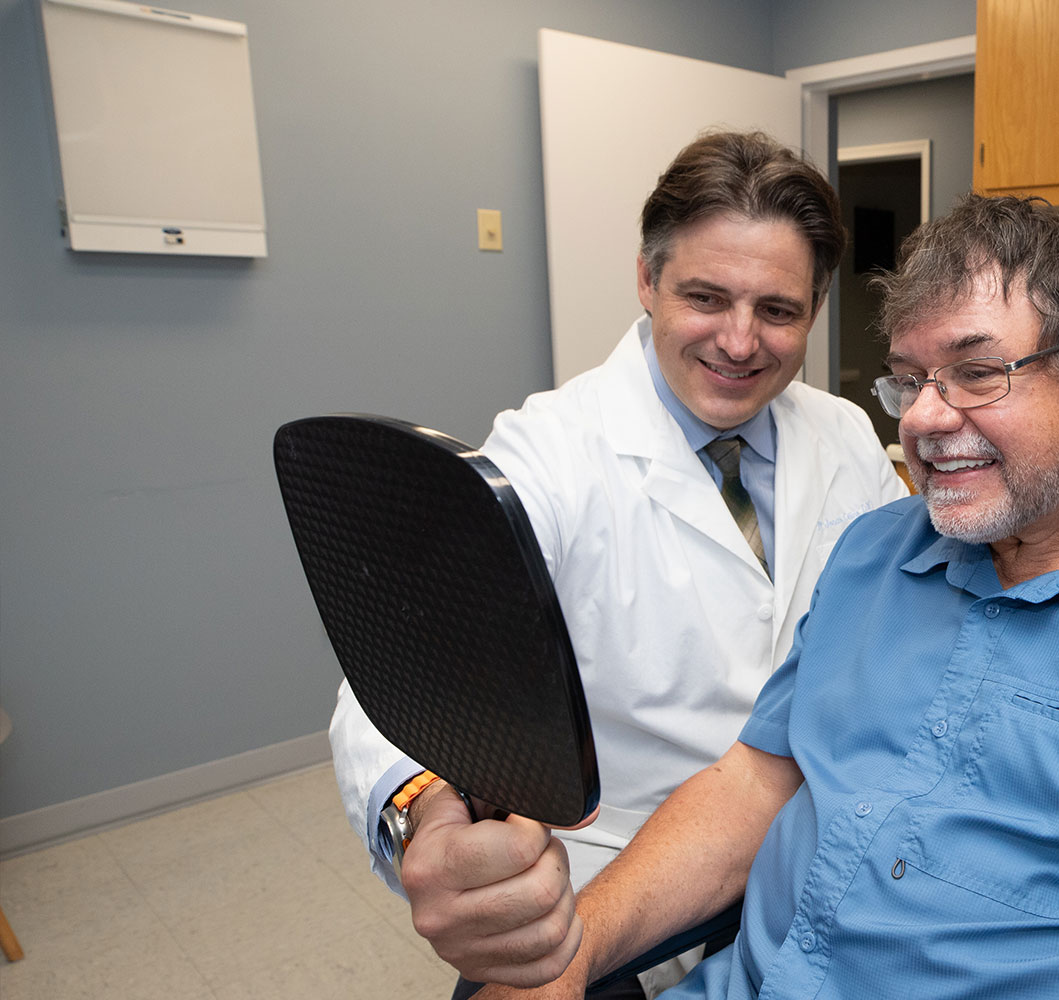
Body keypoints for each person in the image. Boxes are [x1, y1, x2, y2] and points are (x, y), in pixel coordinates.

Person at [425, 194, 1059, 1000]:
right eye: (908, 378)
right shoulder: (875, 553)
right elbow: (756, 785)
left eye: (972, 373)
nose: (922, 419)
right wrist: (567, 959)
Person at [328, 130, 908, 998]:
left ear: (817, 308)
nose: (741, 343)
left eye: (778, 311)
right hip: (617, 876)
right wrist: (426, 815)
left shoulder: (847, 435)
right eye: (706, 297)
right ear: (646, 280)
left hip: (815, 848)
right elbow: (397, 679)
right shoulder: (549, 452)